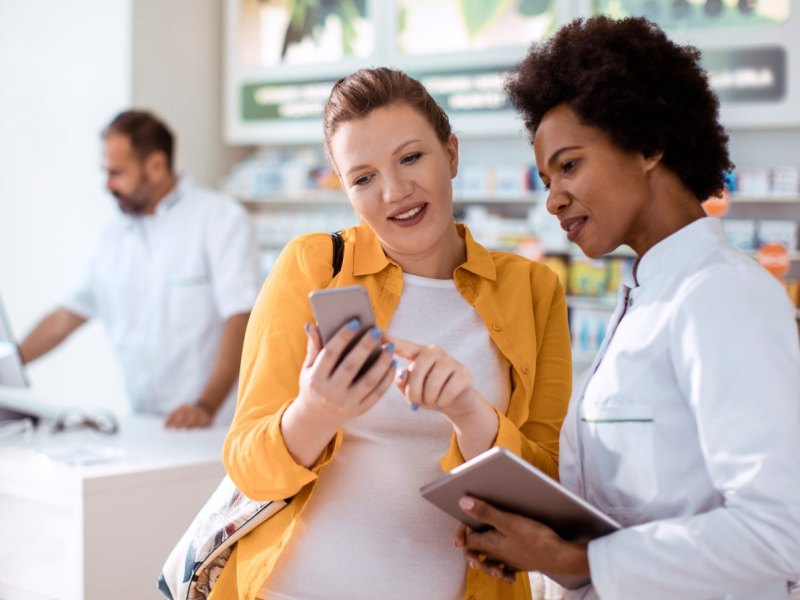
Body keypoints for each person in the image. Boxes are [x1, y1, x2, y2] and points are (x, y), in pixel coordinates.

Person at [455, 15, 800, 599]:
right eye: (545, 178)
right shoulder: (647, 298)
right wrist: (545, 547)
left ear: (648, 144)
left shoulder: (721, 295)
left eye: (569, 165)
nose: (553, 199)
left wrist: (584, 561)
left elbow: (779, 532)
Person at [214, 67, 572, 600]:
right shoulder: (312, 266)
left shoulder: (532, 289)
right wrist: (315, 412)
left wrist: (471, 415)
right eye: (363, 178)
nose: (395, 191)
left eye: (411, 158)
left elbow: (550, 491)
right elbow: (247, 462)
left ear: (450, 154)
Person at [19, 110, 261, 429]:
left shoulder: (220, 219)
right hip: (147, 424)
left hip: (216, 424)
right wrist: (10, 363)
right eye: (105, 172)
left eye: (116, 173)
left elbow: (241, 317)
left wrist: (206, 405)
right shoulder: (111, 238)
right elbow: (65, 317)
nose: (107, 184)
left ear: (156, 166)